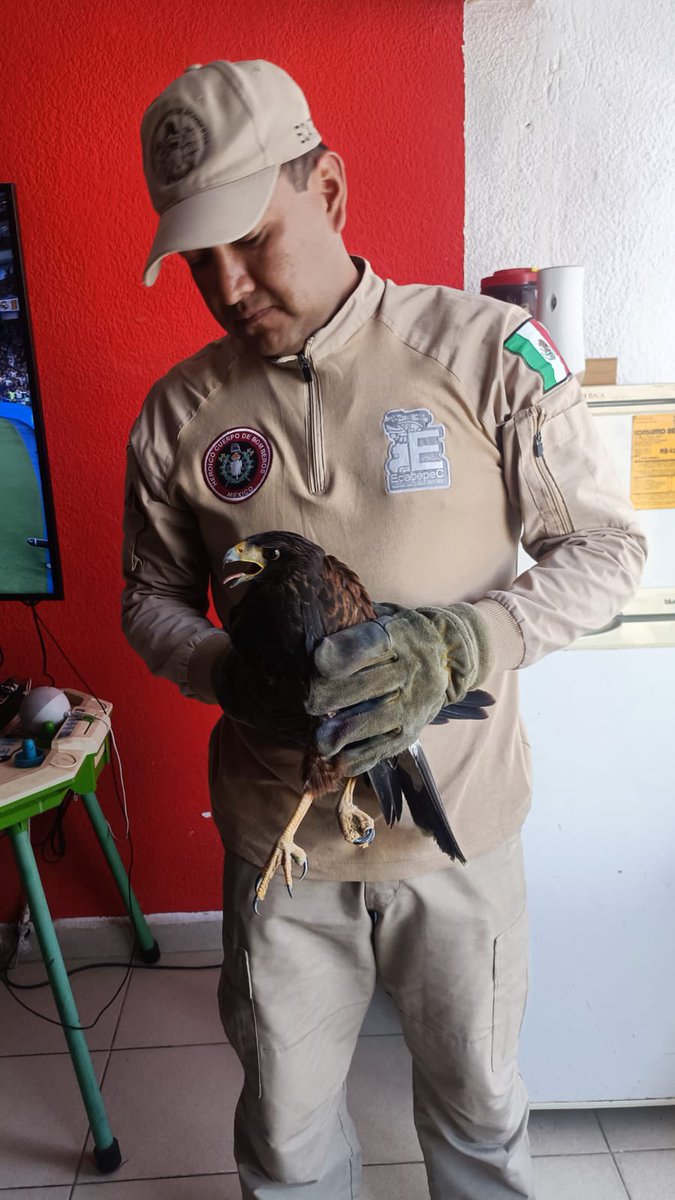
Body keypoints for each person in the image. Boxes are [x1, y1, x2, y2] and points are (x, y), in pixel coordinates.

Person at [123, 59, 646, 1200]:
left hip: (458, 828)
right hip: (282, 846)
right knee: (288, 1140)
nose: (226, 283)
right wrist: (224, 669)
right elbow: (147, 598)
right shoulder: (178, 414)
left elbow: (612, 550)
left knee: (476, 1116)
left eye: (253, 238)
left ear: (332, 190)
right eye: (198, 258)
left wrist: (465, 648)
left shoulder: (485, 355)